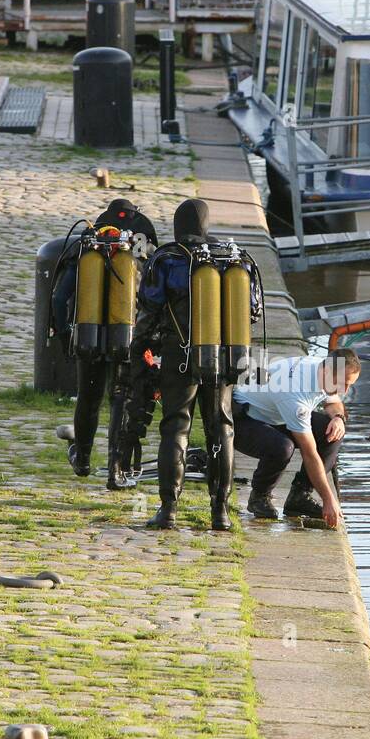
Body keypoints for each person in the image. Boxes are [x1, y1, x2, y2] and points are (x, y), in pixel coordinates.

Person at [134, 198, 262, 531]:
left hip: (181, 353)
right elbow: (252, 311)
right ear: (206, 225)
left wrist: (142, 346)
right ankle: (220, 513)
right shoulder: (236, 260)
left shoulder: (168, 257)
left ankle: (168, 510)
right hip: (226, 355)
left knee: (176, 426)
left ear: (179, 226)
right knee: (221, 426)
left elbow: (148, 306)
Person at [50, 198, 158, 487]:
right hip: (127, 336)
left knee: (89, 397)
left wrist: (64, 338)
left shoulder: (89, 251)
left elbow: (59, 299)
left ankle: (82, 459)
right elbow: (153, 301)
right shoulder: (141, 251)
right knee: (120, 399)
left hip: (89, 334)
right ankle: (116, 470)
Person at [232, 348, 359, 528]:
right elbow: (310, 453)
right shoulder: (296, 394)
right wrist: (329, 499)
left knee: (333, 431)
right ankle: (259, 497)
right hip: (242, 419)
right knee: (283, 447)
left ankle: (299, 497)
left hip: (275, 413)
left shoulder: (324, 368)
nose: (345, 391)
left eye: (349, 385)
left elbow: (334, 402)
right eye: (343, 384)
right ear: (327, 371)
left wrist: (338, 418)